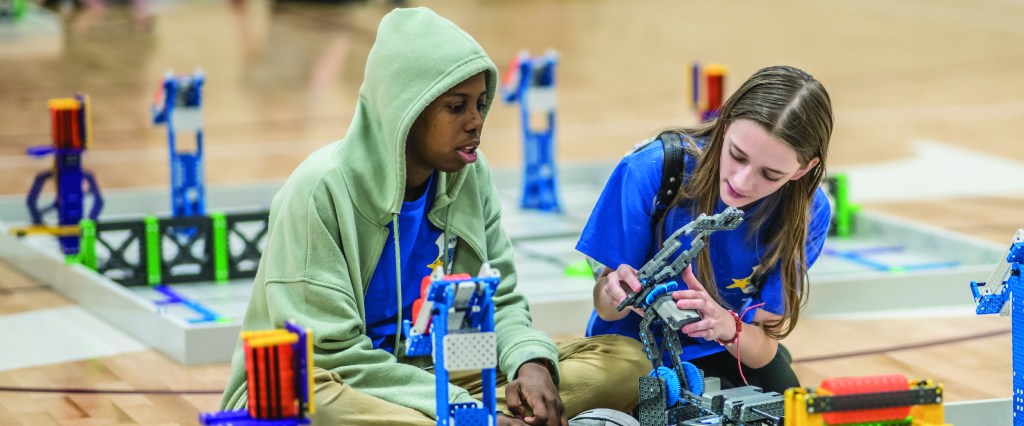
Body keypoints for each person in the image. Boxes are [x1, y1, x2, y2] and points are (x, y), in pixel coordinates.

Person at [219, 7, 649, 426]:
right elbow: (328, 354)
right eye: (456, 106)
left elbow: (499, 300)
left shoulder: (471, 176)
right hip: (340, 383)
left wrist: (530, 364)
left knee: (627, 362)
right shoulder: (320, 189)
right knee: (319, 401)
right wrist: (466, 413)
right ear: (406, 111)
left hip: (444, 371)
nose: (476, 122)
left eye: (480, 104)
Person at [576, 65, 833, 394]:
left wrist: (728, 327)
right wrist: (614, 290)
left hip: (722, 349)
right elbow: (605, 309)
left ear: (803, 169)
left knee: (787, 405)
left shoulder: (809, 211)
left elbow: (762, 349)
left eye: (770, 175)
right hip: (631, 350)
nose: (742, 183)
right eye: (737, 155)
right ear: (724, 124)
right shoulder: (650, 170)